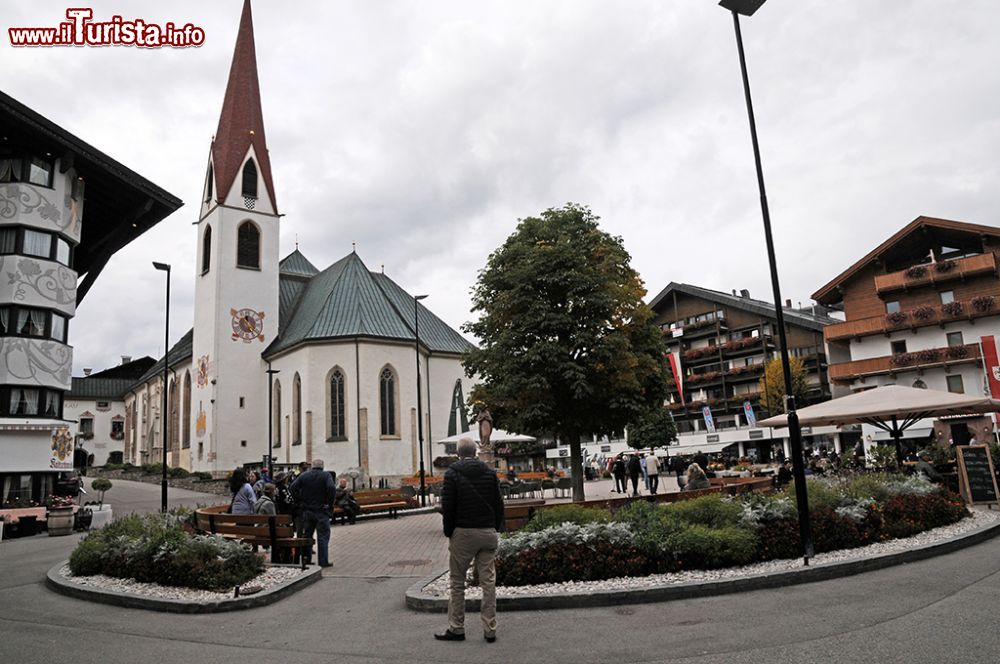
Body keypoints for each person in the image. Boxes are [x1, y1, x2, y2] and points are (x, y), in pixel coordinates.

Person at [435, 437, 503, 644]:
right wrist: (495, 527)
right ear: (475, 452)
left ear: (458, 453)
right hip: (487, 532)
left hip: (463, 532)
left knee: (457, 582)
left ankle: (457, 628)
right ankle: (490, 629)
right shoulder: (490, 473)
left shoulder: (452, 474)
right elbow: (498, 504)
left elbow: (449, 507)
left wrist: (449, 532)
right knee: (488, 582)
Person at [290, 458, 336, 568]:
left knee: (308, 536)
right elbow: (331, 487)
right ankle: (323, 561)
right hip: (321, 510)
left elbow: (293, 487)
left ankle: (307, 559)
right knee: (323, 536)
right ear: (322, 467)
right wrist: (329, 503)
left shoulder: (304, 475)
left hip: (307, 510)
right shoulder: (326, 476)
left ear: (312, 467)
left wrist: (300, 500)